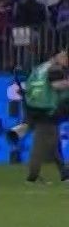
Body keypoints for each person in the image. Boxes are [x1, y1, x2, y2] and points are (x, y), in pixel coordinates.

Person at [16, 48, 69, 184]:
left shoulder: (39, 69)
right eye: (65, 57)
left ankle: (65, 174)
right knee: (40, 145)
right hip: (47, 109)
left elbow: (29, 87)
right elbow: (56, 85)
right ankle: (32, 177)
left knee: (53, 143)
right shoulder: (55, 69)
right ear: (57, 56)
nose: (66, 61)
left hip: (34, 107)